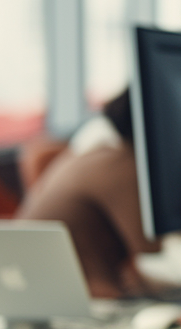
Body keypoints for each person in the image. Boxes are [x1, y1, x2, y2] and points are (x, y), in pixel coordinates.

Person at [16, 89, 163, 299]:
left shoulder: (102, 153)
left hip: (44, 287)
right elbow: (151, 249)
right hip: (79, 297)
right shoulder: (122, 164)